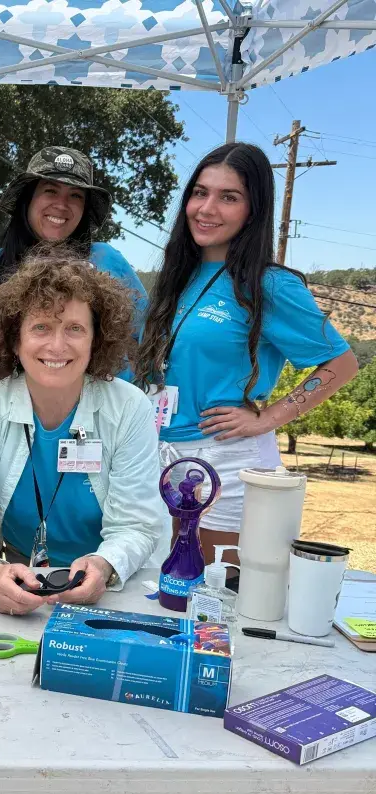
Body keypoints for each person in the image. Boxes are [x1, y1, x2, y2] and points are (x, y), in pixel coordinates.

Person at [133, 143, 357, 565]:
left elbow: (342, 364)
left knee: (215, 602)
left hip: (226, 460)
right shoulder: (177, 278)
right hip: (161, 456)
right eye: (200, 193)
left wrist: (270, 417)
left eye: (228, 197)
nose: (207, 208)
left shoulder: (269, 285)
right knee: (160, 591)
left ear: (253, 211)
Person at [0, 246, 166, 615]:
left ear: (97, 339)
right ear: (15, 339)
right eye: (41, 327)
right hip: (23, 586)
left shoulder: (128, 407)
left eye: (75, 329)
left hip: (118, 587)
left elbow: (138, 525)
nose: (57, 346)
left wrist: (104, 566)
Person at [0, 146, 147, 316]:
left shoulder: (107, 260)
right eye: (50, 191)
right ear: (27, 199)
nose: (61, 205)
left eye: (75, 195)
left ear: (85, 208)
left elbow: (147, 335)